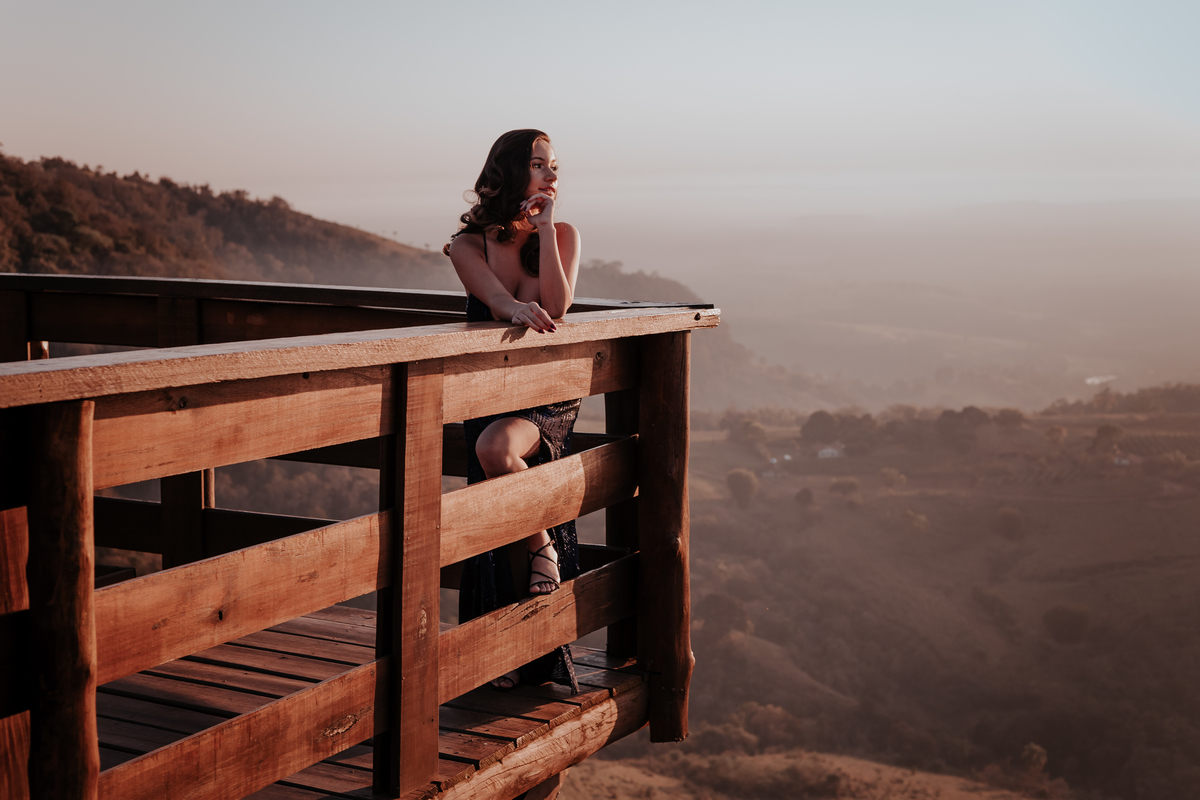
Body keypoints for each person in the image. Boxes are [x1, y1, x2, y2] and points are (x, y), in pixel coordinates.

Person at [444, 129, 582, 691]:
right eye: (538, 165)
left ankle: (541, 546)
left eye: (554, 166)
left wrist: (545, 229)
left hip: (546, 391)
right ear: (508, 172)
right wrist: (512, 307)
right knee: (490, 505)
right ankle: (501, 662)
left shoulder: (564, 233)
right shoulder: (466, 244)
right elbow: (499, 302)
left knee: (495, 452)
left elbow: (557, 305)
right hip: (490, 390)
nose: (551, 175)